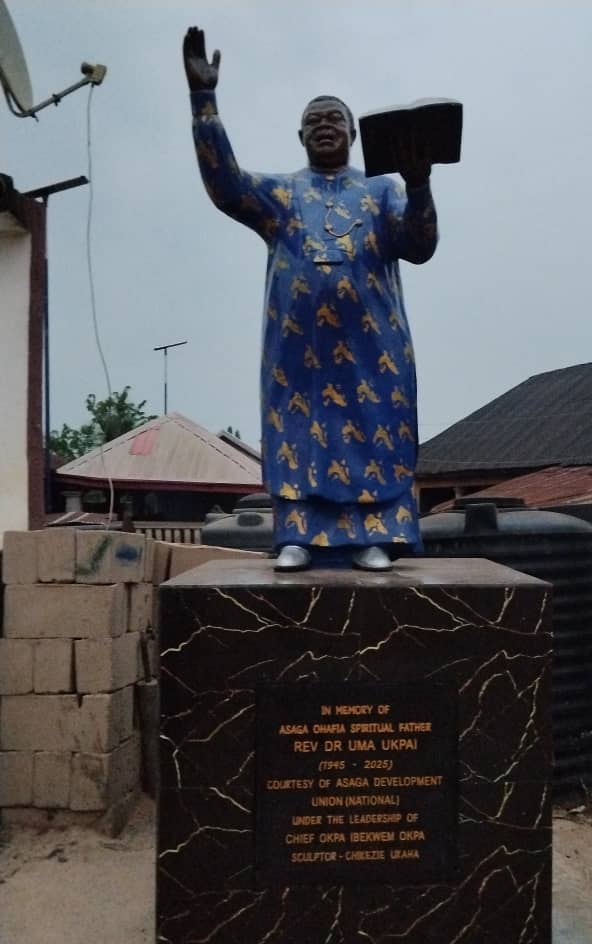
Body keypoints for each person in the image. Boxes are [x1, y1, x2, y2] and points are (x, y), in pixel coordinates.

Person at [183, 27, 438, 572]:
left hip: (374, 349)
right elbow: (225, 184)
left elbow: (419, 246)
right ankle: (297, 535)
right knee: (300, 434)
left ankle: (376, 537)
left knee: (374, 429)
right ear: (299, 135)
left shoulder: (381, 190)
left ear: (353, 133)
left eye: (335, 119)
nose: (325, 126)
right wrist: (204, 101)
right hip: (300, 354)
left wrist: (419, 185)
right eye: (315, 121)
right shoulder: (281, 194)